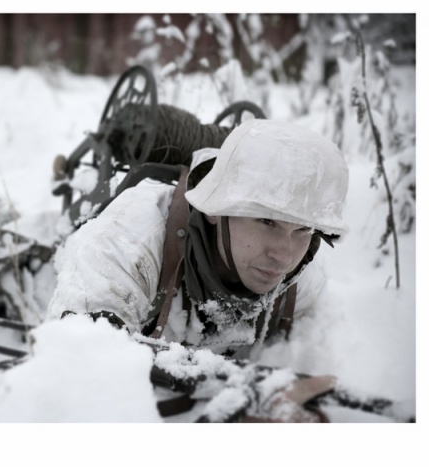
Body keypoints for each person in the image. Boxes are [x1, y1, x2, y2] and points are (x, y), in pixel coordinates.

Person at [47, 118, 349, 358]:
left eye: (303, 230)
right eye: (266, 221)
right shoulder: (129, 240)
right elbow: (80, 363)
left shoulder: (304, 284)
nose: (284, 256)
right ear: (216, 210)